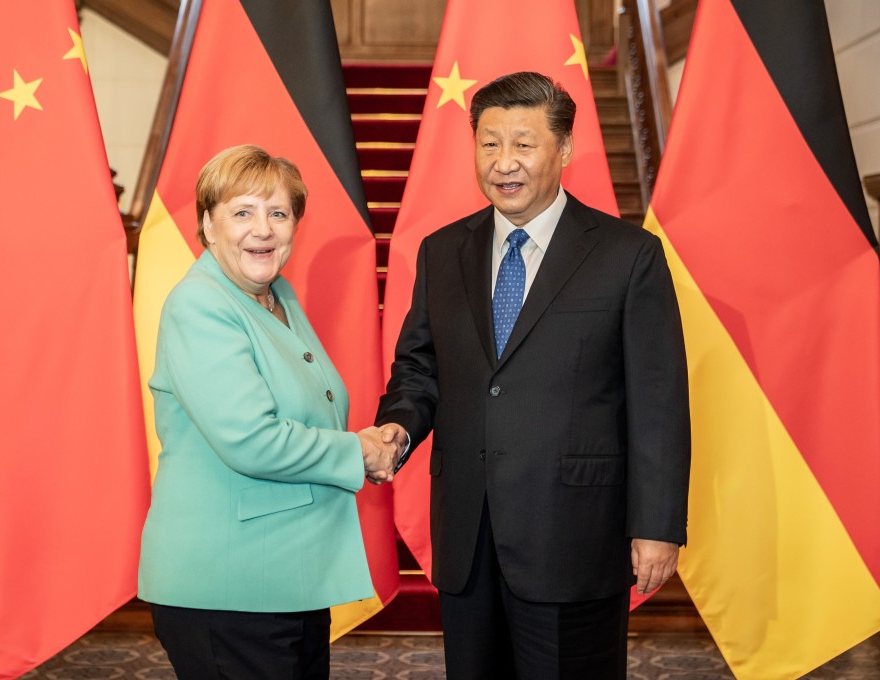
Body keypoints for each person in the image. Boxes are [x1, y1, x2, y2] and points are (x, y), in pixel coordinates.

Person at [376, 72, 690, 678]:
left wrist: (656, 525)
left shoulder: (628, 255)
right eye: (489, 143)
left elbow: (659, 401)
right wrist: (399, 426)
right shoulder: (443, 252)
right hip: (468, 533)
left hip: (574, 535)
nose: (503, 162)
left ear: (564, 150)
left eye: (523, 143)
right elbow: (420, 367)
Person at [138, 144, 398, 679]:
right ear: (208, 226)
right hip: (227, 588)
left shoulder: (277, 295)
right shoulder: (201, 305)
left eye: (278, 213)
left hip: (288, 578)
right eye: (242, 212)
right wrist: (358, 452)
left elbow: (308, 414)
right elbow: (252, 439)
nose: (263, 228)